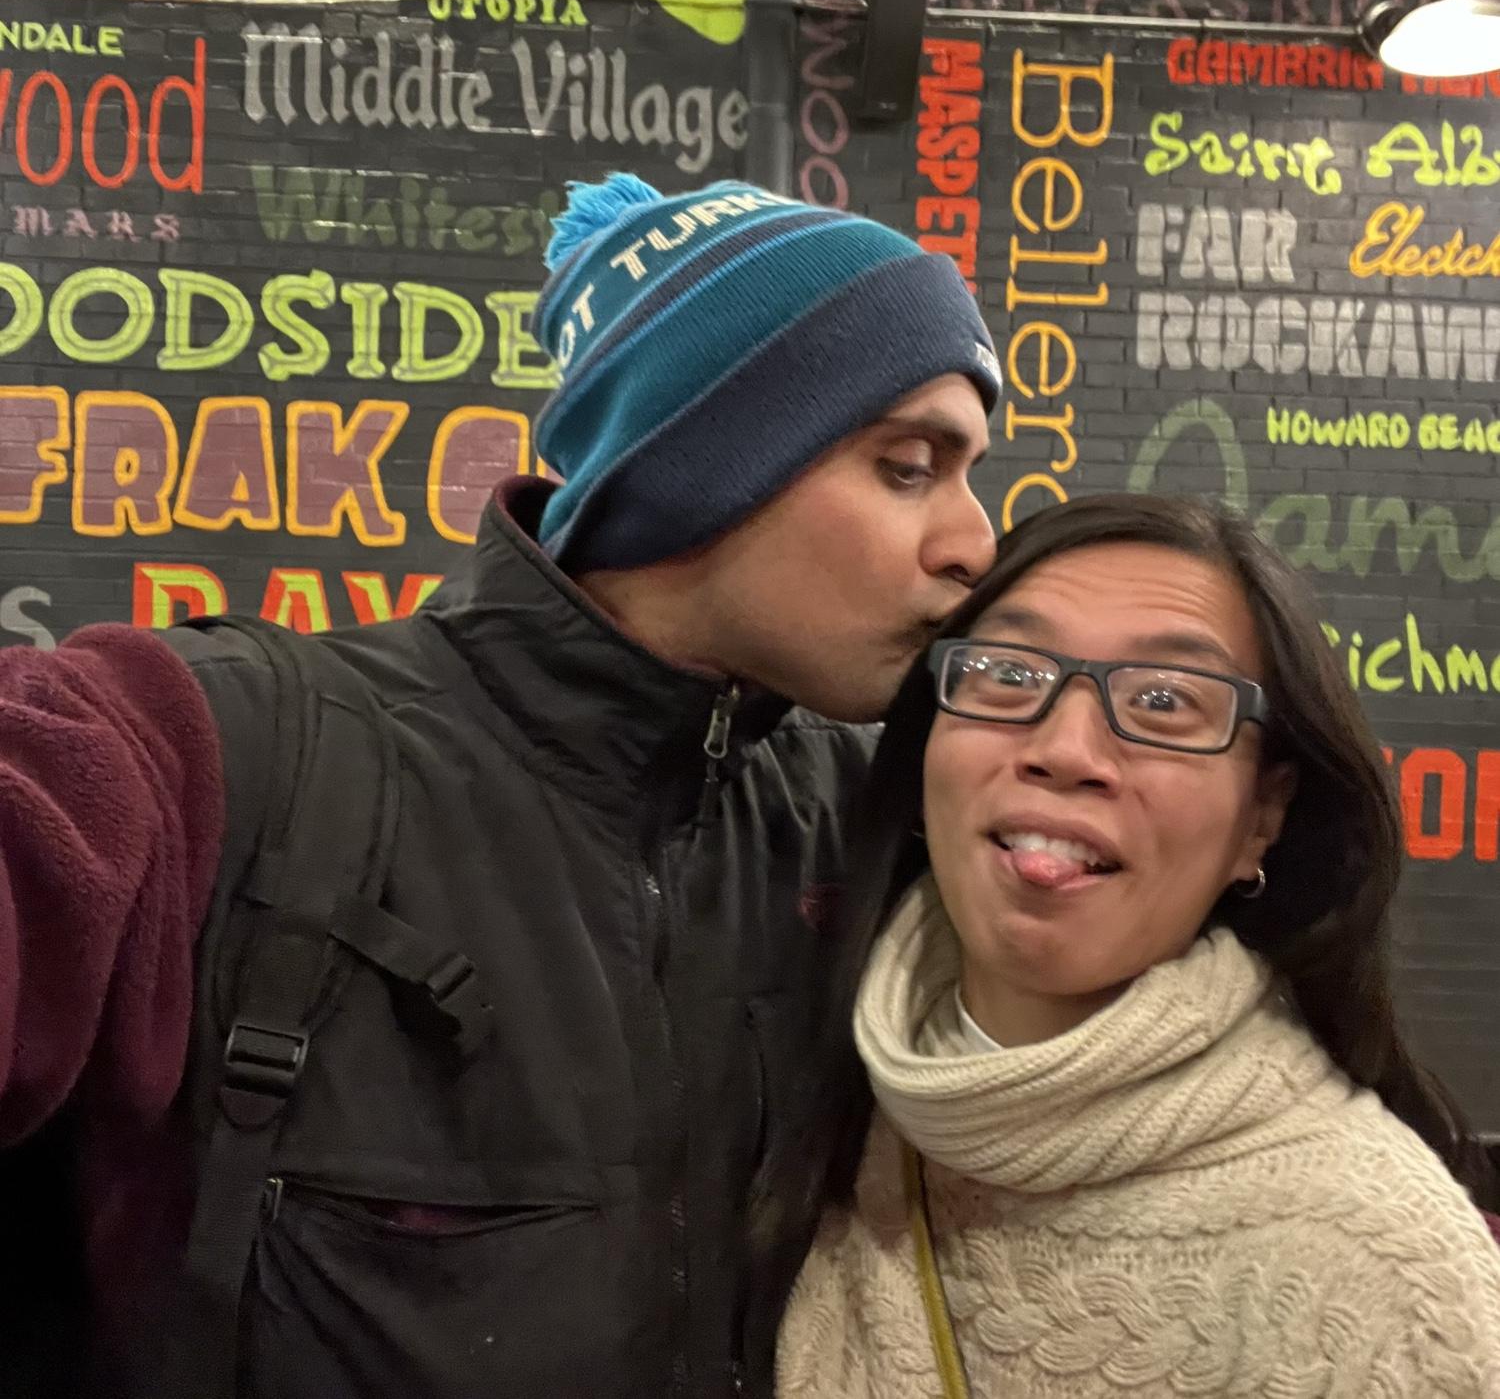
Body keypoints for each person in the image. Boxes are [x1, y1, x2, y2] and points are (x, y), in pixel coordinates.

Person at [0, 173, 1002, 1398]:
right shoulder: (217, 748)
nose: (976, 543)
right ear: (705, 467)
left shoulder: (869, 821)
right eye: (909, 466)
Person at [775, 493, 1500, 1398]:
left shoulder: (1385, 1279)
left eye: (1164, 701)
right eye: (1008, 672)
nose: (1066, 749)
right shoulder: (797, 1097)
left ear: (1261, 818)